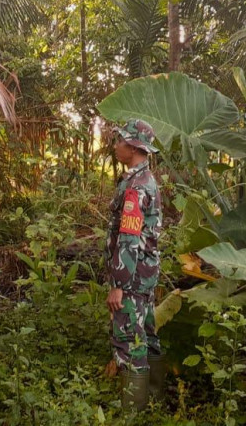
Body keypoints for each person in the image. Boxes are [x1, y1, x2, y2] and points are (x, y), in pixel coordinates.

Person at [105, 119, 164, 410]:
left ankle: (134, 411)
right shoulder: (144, 179)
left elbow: (128, 239)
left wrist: (119, 285)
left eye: (120, 141)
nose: (116, 145)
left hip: (132, 277)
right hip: (146, 273)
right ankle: (155, 399)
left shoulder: (136, 188)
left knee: (130, 340)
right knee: (147, 334)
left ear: (133, 147)